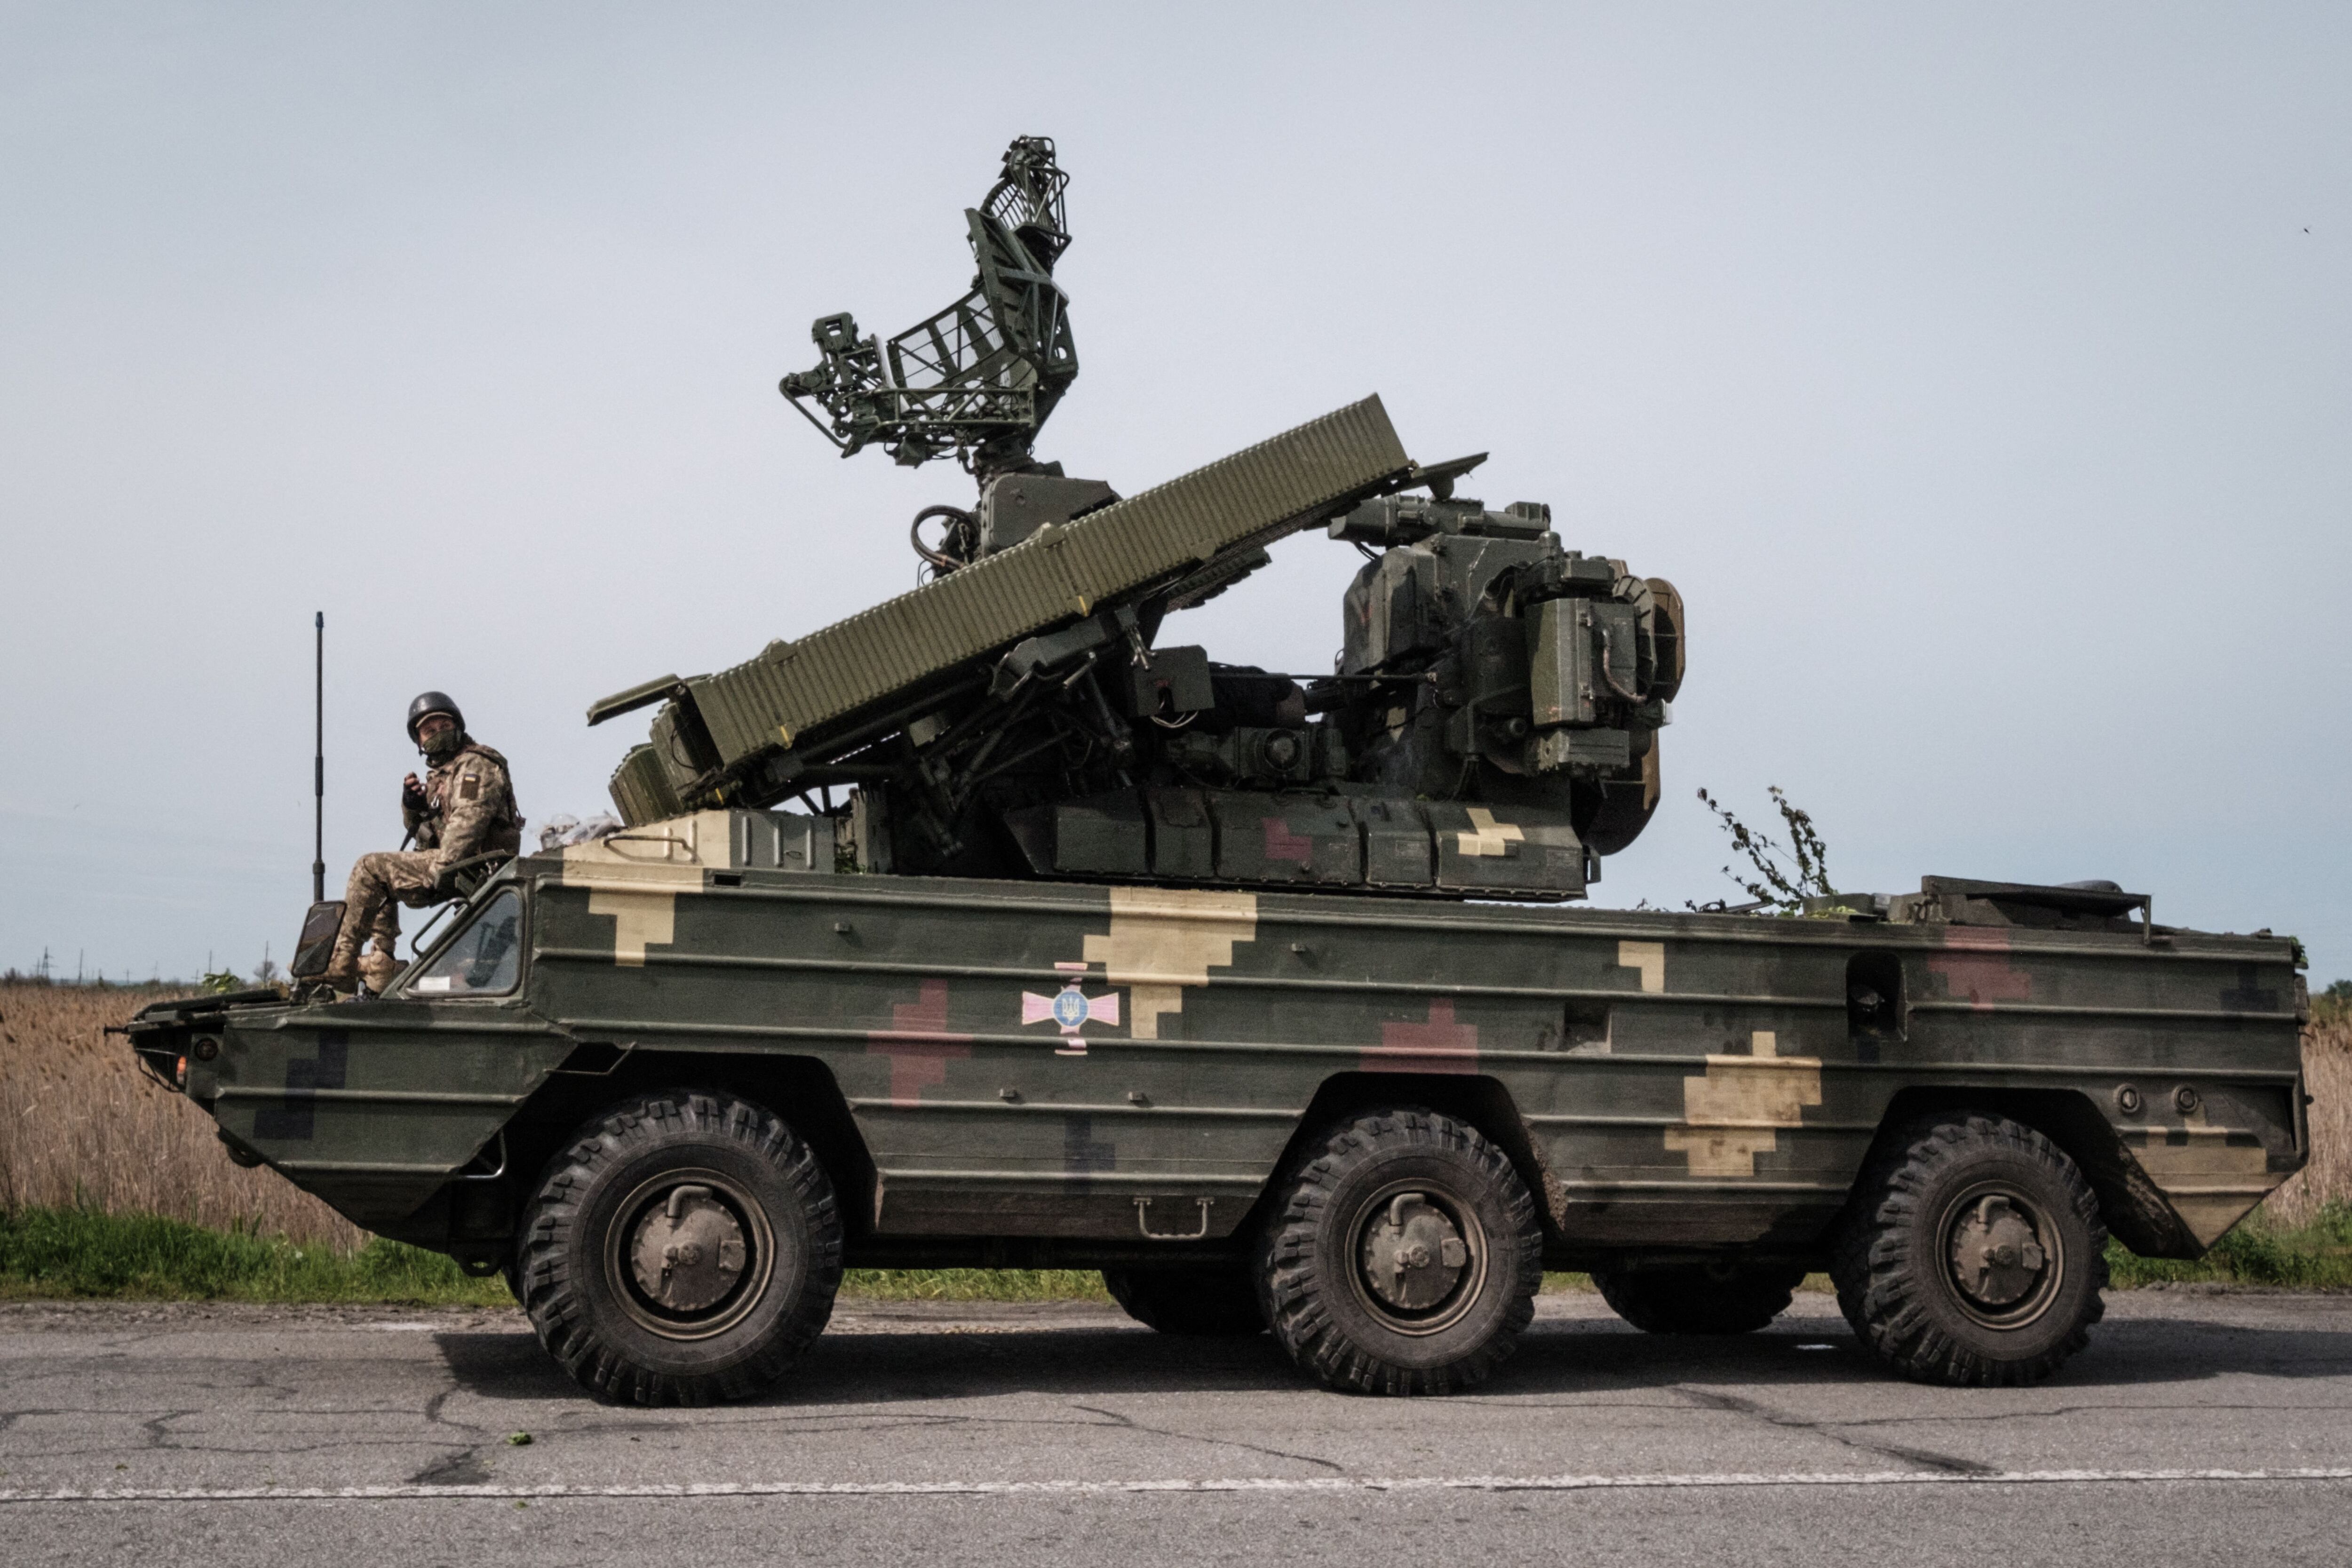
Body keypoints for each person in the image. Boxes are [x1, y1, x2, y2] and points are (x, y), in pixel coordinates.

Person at [322, 692, 524, 995]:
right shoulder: (442, 775)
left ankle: (341, 959)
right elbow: (424, 830)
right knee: (381, 882)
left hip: (476, 869)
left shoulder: (475, 765)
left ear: (458, 727)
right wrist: (413, 806)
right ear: (419, 742)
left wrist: (438, 871)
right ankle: (381, 962)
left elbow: (468, 824)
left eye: (444, 725)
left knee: (371, 868)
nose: (438, 733)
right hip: (460, 869)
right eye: (429, 731)